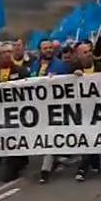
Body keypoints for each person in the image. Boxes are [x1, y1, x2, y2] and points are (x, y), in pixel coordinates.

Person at [0, 43, 31, 182]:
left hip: (17, 112)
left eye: (9, 52)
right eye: (3, 53)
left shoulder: (21, 71)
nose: (7, 55)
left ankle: (12, 168)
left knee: (14, 139)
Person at [31, 39, 71, 183]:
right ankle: (55, 159)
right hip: (40, 107)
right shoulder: (35, 65)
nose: (48, 50)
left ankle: (45, 170)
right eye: (45, 48)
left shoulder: (61, 65)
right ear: (40, 50)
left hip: (56, 106)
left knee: (50, 135)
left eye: (50, 47)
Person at [71, 41, 101, 182]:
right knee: (88, 140)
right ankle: (83, 168)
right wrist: (72, 77)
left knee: (93, 139)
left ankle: (92, 164)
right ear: (79, 56)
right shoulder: (73, 70)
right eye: (84, 52)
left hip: (100, 111)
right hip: (81, 112)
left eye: (89, 51)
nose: (88, 54)